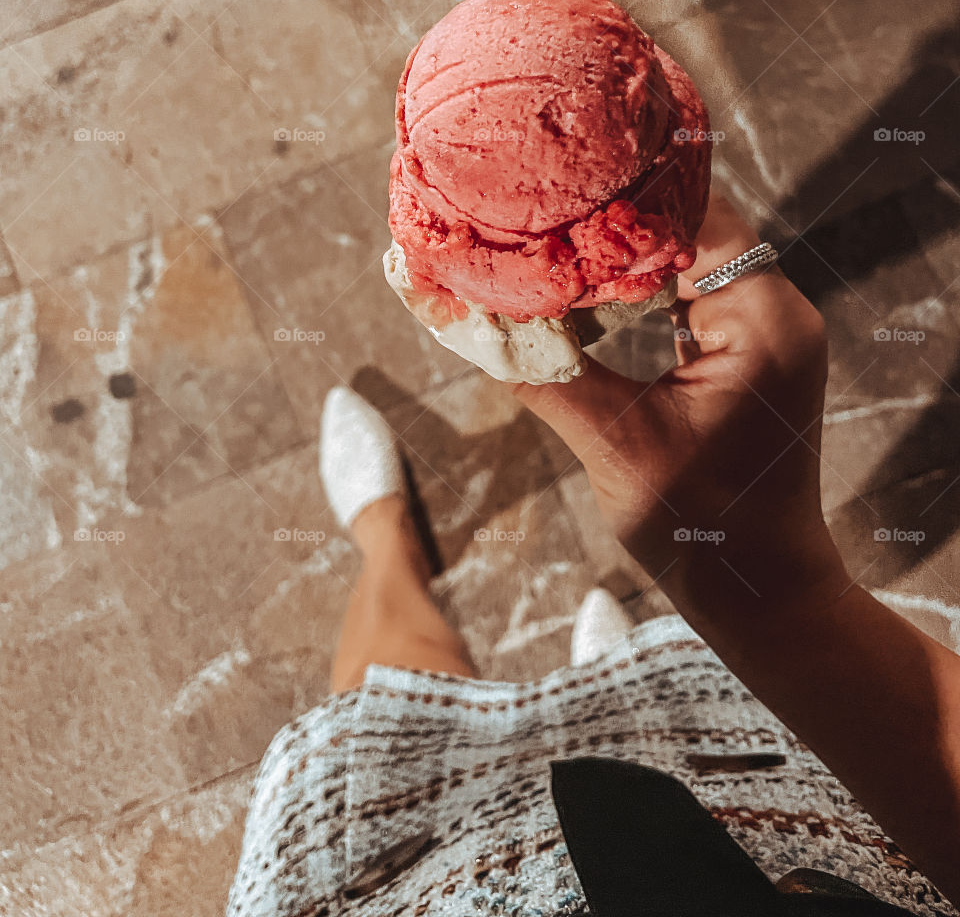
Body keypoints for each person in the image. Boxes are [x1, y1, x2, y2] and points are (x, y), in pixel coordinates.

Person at [226, 197, 960, 917]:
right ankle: (624, 685)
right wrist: (776, 595)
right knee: (688, 709)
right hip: (781, 813)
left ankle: (382, 533)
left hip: (435, 883)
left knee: (392, 725)